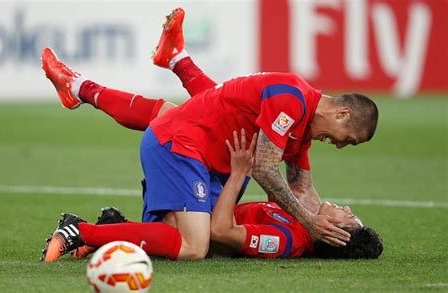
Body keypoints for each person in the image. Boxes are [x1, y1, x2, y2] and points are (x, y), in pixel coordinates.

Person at [41, 7, 379, 260]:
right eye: (347, 139)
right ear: (342, 114)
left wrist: (315, 227)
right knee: (194, 245)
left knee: (175, 116)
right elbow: (263, 168)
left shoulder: (301, 130)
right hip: (186, 147)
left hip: (205, 152)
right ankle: (80, 230)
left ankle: (94, 84)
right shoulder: (291, 100)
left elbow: (302, 188)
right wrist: (310, 222)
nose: (338, 146)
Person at [41, 130, 382, 261]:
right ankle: (116, 229)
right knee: (175, 118)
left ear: (336, 235)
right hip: (204, 206)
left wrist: (237, 174)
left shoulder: (286, 241)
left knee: (192, 244)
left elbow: (221, 231)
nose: (346, 207)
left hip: (204, 221)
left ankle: (83, 231)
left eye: (348, 218)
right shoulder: (301, 218)